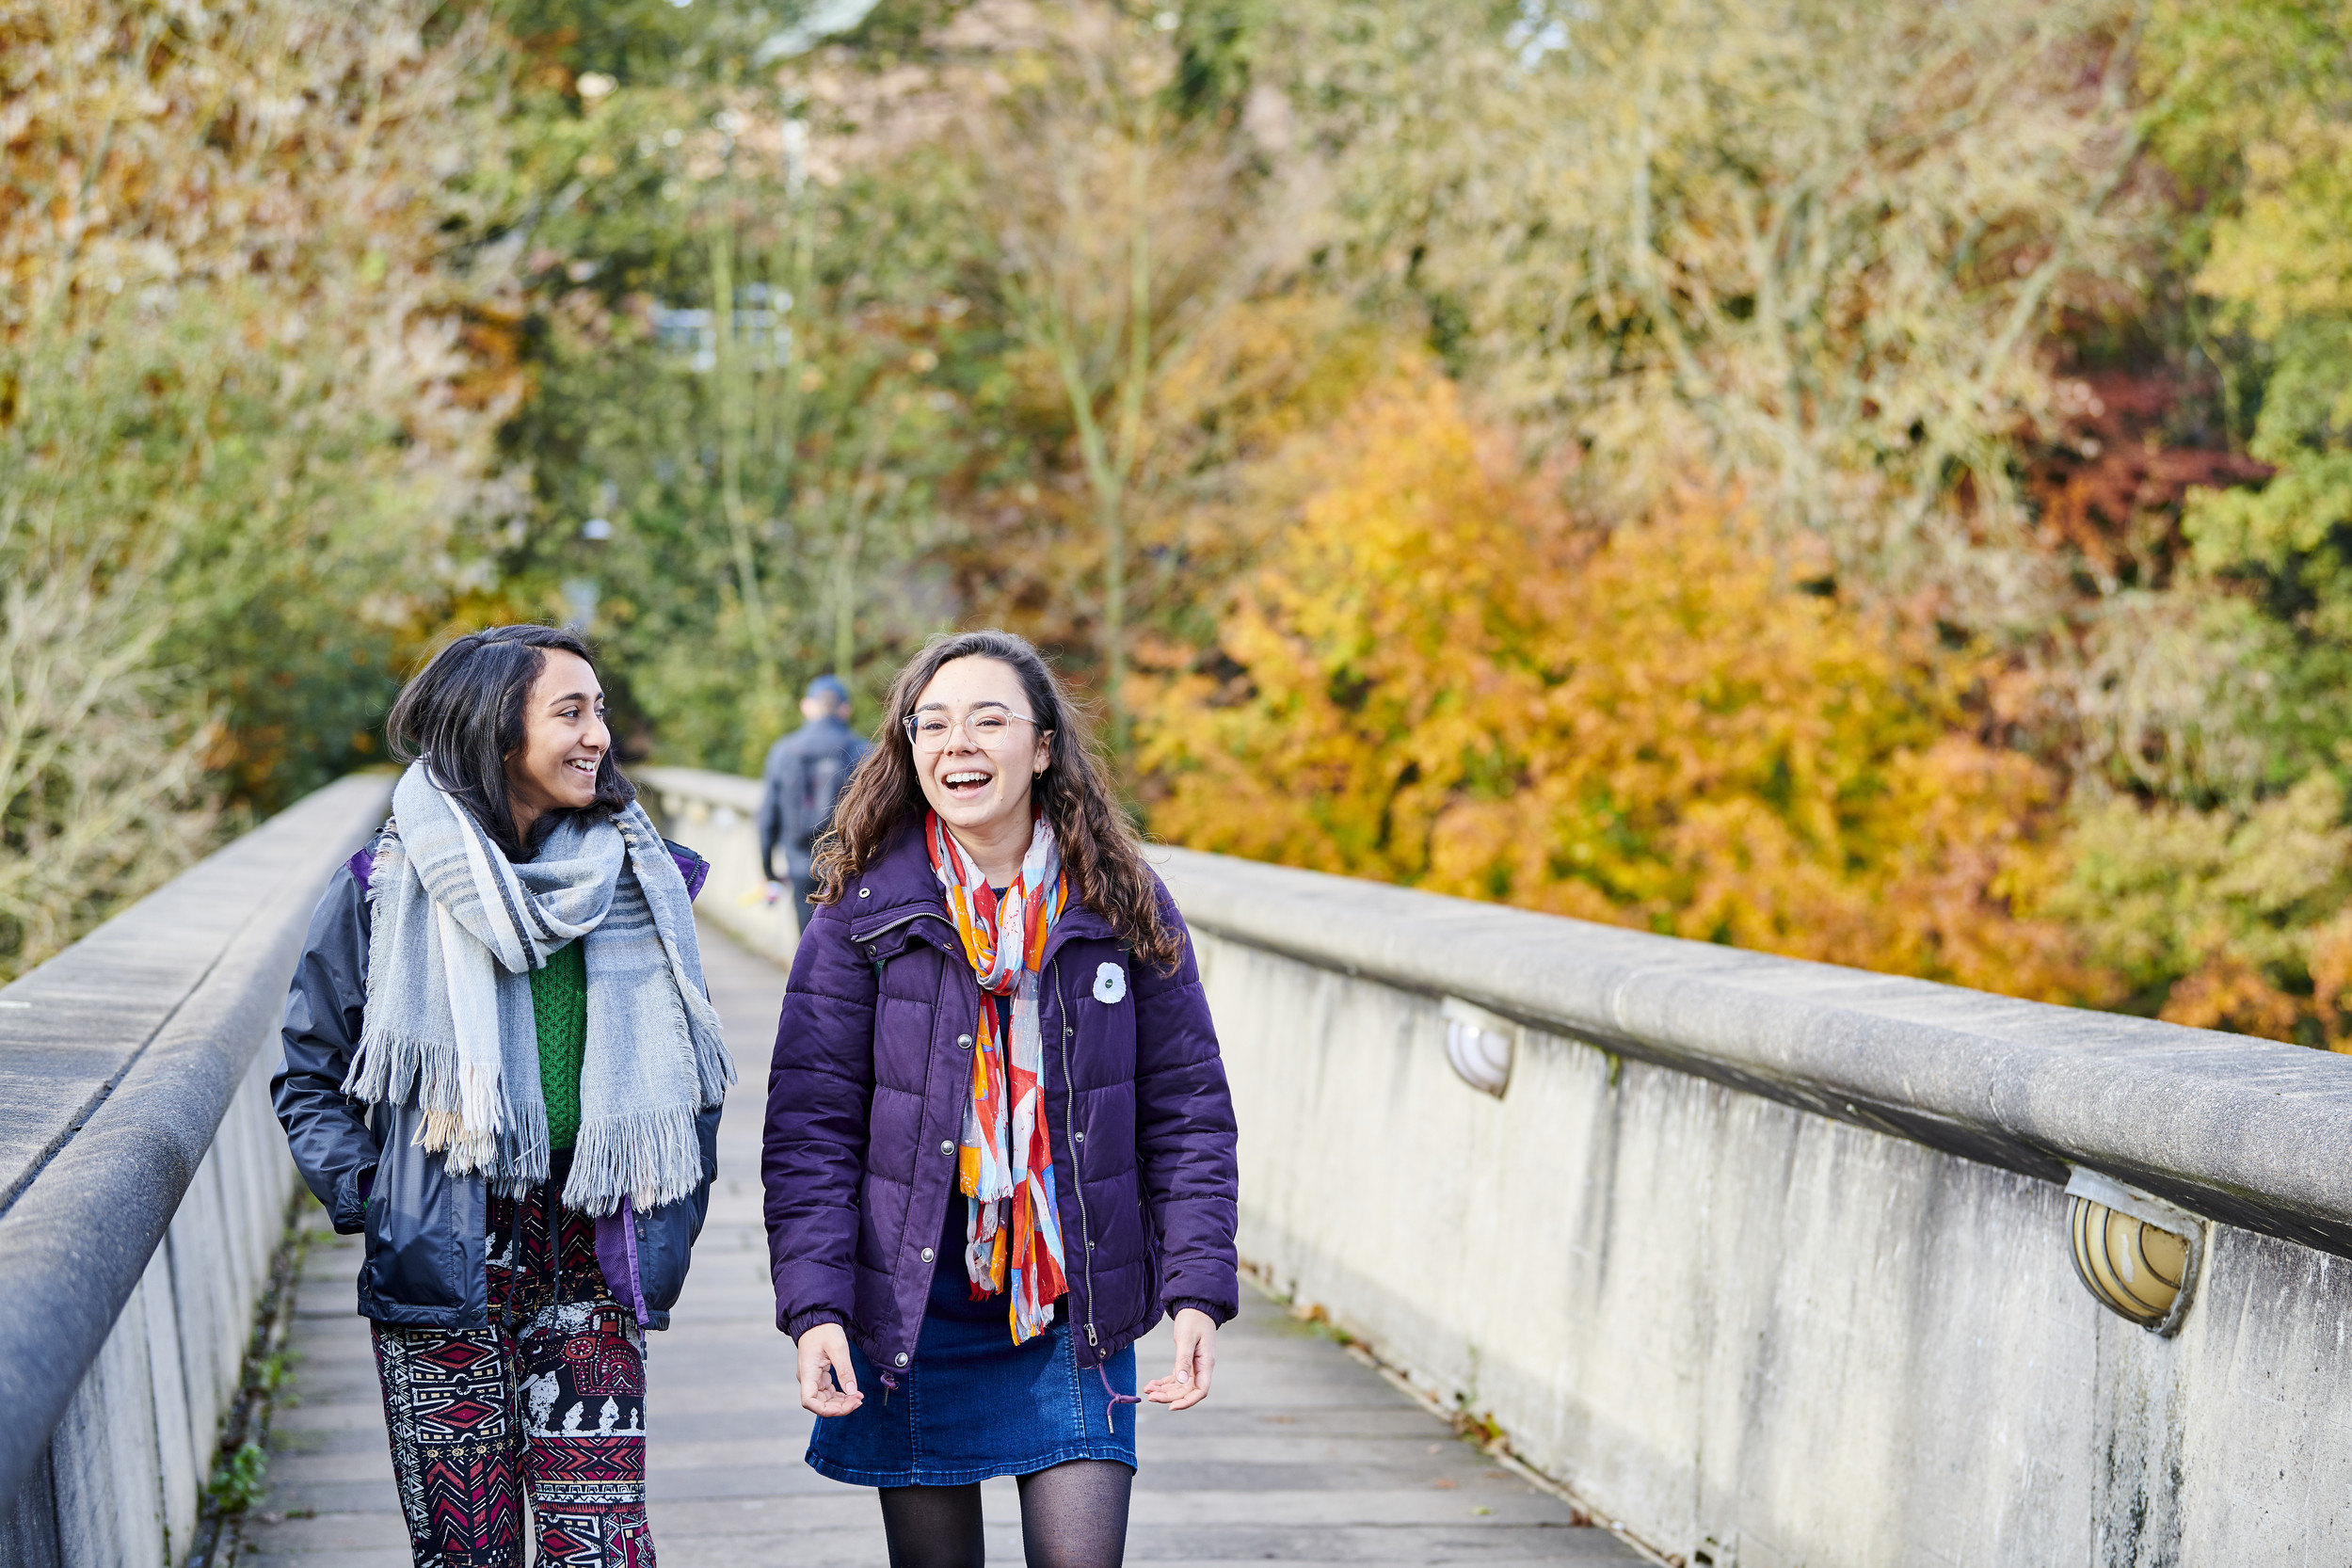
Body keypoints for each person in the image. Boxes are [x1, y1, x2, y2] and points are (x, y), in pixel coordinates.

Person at [762, 629, 1240, 1568]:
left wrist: (1195, 1290)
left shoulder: (1122, 903)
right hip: (910, 1300)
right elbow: (810, 1130)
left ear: (1045, 745)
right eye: (932, 723)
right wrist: (816, 1308)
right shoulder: (861, 911)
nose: (958, 744)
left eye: (989, 720)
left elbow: (1186, 1110)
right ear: (908, 747)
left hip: (1073, 1290)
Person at [273, 624, 735, 1568]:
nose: (597, 733)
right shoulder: (383, 887)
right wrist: (378, 1199)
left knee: (600, 1549)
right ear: (495, 730)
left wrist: (672, 1207)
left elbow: (697, 1069)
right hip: (445, 1257)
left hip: (593, 1249)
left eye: (599, 709)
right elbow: (309, 1072)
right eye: (570, 711)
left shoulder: (642, 879)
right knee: (466, 1553)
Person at [759, 672, 872, 927]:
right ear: (845, 709)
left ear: (806, 707)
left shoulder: (783, 751)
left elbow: (767, 817)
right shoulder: (864, 751)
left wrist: (768, 870)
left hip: (799, 867)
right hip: (850, 869)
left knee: (807, 946)